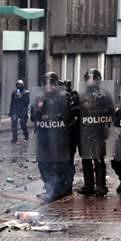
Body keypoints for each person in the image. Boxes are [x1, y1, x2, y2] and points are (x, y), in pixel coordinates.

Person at [31, 72, 74, 202]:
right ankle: (50, 188)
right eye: (46, 83)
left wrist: (60, 117)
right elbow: (33, 117)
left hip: (59, 136)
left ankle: (60, 189)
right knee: (44, 163)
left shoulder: (64, 97)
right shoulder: (40, 98)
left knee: (59, 164)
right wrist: (38, 109)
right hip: (44, 136)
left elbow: (71, 115)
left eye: (51, 83)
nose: (48, 86)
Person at [76, 69, 113, 196]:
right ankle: (89, 185)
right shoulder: (82, 95)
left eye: (93, 79)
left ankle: (101, 186)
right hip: (85, 131)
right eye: (88, 79)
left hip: (98, 131)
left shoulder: (104, 95)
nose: (90, 82)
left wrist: (93, 110)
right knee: (86, 159)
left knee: (98, 159)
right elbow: (77, 112)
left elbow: (110, 112)